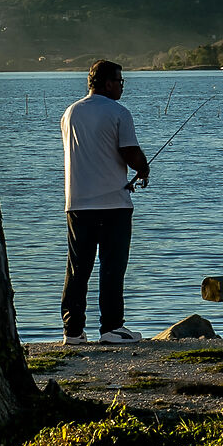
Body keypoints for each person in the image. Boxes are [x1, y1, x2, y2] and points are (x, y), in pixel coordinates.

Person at [61, 60, 149, 345]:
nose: (122, 86)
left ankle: (73, 332)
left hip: (76, 203)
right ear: (107, 83)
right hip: (113, 204)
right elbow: (129, 152)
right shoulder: (118, 113)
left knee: (78, 268)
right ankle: (111, 327)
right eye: (120, 81)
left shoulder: (70, 113)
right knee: (112, 267)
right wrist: (143, 169)